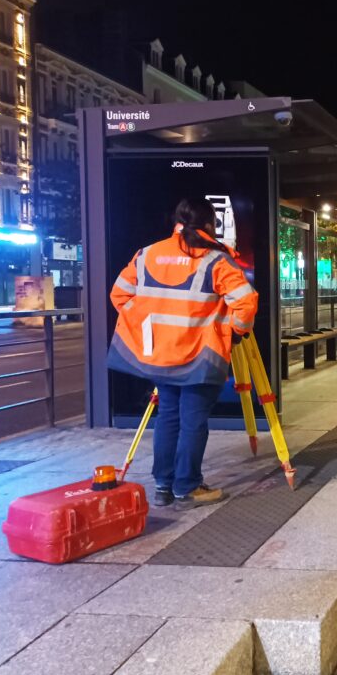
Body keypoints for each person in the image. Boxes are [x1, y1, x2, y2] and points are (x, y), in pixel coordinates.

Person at [107, 198, 258, 510]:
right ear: (209, 225)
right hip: (200, 356)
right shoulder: (216, 259)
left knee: (168, 418)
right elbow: (245, 302)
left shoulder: (147, 254)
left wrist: (149, 327)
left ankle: (164, 485)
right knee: (193, 421)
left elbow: (119, 294)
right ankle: (187, 486)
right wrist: (234, 332)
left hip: (161, 355)